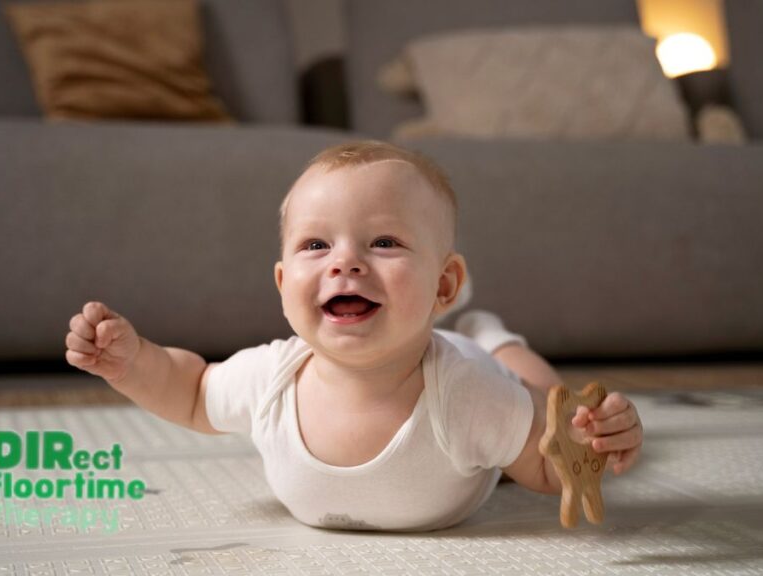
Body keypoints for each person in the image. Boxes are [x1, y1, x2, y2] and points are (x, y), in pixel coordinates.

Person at [65, 140, 643, 531]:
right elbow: (190, 391)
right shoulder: (272, 377)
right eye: (316, 245)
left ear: (443, 285)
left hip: (474, 366)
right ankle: (483, 327)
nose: (345, 263)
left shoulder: (468, 396)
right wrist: (132, 361)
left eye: (384, 242)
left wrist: (594, 440)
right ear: (284, 281)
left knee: (539, 388)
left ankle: (494, 336)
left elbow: (546, 469)